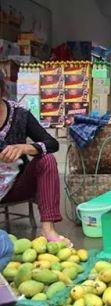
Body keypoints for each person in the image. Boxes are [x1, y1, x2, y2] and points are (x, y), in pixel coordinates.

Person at [0, 71, 71, 246]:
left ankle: (48, 229)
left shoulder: (19, 114)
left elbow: (52, 143)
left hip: (15, 186)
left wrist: (26, 148)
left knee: (46, 160)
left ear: (1, 91)